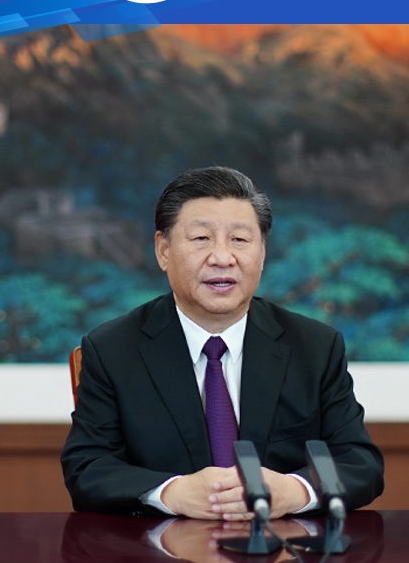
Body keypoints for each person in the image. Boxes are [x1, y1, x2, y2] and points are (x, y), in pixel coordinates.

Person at [61, 166, 384, 519]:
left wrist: (295, 491)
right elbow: (87, 468)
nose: (222, 257)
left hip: (284, 549)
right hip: (160, 549)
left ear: (262, 253)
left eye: (240, 240)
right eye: (201, 238)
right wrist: (171, 492)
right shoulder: (113, 350)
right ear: (163, 250)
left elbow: (360, 463)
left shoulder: (315, 347)